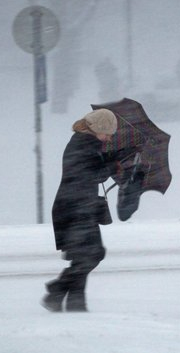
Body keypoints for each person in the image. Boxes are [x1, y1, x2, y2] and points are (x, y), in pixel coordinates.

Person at [42, 108, 118, 312]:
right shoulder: (85, 144)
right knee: (93, 254)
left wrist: (110, 160)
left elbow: (92, 171)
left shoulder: (82, 143)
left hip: (74, 206)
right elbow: (96, 174)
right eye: (108, 133)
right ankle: (57, 290)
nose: (109, 138)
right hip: (76, 208)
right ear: (98, 128)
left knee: (83, 256)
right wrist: (113, 164)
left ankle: (75, 304)